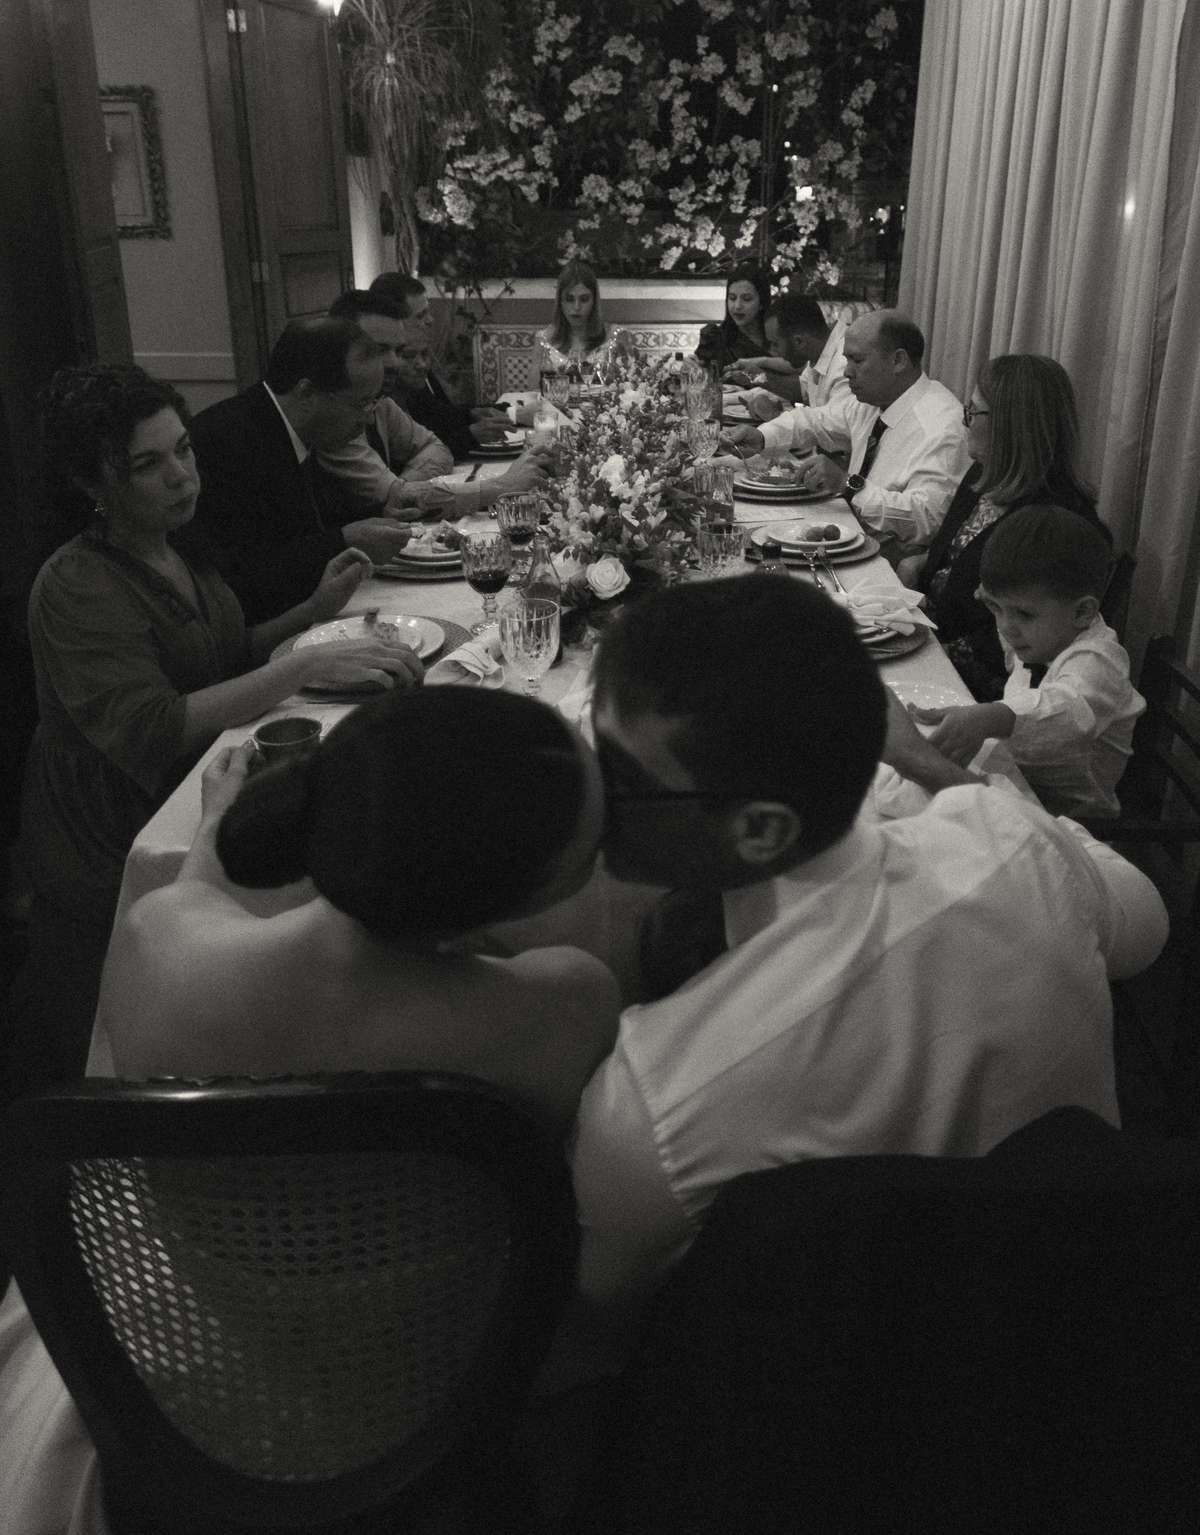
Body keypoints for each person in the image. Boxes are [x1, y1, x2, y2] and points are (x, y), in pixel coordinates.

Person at [0, 688, 620, 1535]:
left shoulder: (156, 946)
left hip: (207, 1362)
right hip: (442, 1374)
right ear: (515, 902)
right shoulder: (564, 1006)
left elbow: (190, 907)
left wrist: (217, 827)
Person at [570, 573, 1166, 1326]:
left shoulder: (654, 1101)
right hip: (1097, 1295)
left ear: (761, 829)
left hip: (833, 1376)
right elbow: (1142, 934)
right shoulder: (1010, 842)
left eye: (619, 775)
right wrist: (939, 773)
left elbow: (606, 1302)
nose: (589, 790)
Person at [9, 364, 420, 1097]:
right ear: (92, 485)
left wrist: (312, 613)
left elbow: (222, 660)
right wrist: (305, 664)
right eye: (147, 464)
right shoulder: (78, 582)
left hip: (201, 785)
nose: (181, 476)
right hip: (112, 832)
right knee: (116, 1055)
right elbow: (155, 728)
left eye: (183, 449)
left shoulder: (173, 545)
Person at [913, 506, 1145, 820]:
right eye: (997, 609)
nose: (1006, 627)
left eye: (1023, 613)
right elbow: (1015, 642)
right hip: (1019, 786)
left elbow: (1066, 712)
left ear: (1082, 612)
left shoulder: (1099, 663)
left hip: (1072, 822)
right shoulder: (1044, 634)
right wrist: (998, 602)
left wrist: (992, 717)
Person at [189, 314, 417, 622]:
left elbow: (312, 522)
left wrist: (378, 514)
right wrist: (343, 540)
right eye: (360, 405)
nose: (367, 420)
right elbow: (242, 570)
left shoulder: (296, 429)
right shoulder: (230, 442)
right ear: (307, 393)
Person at [908, 354, 1108, 700]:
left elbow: (1013, 640)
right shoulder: (985, 475)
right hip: (931, 637)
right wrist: (920, 562)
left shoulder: (1056, 522)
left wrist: (923, 654)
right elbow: (958, 556)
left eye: (973, 412)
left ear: (1013, 426)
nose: (965, 422)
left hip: (987, 694)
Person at [730, 310, 970, 552]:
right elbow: (814, 420)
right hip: (848, 534)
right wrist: (762, 437)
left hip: (890, 556)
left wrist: (849, 484)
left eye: (857, 360)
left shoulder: (940, 426)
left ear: (898, 360)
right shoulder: (874, 401)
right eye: (846, 360)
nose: (847, 372)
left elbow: (927, 519)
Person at [322, 292, 553, 516]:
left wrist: (405, 488)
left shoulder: (380, 402)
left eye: (397, 350)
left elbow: (437, 448)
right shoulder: (336, 419)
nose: (394, 362)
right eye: (379, 350)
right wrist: (503, 486)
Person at [368, 273, 528, 457]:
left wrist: (480, 414)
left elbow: (440, 415)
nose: (430, 320)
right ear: (396, 320)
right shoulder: (390, 381)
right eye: (421, 315)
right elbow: (414, 450)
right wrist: (470, 434)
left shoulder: (418, 359)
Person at [725, 294, 851, 416]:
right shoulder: (820, 350)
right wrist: (756, 376)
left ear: (799, 341)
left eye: (776, 343)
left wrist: (776, 415)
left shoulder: (845, 365)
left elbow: (834, 426)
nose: (774, 351)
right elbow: (802, 389)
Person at [537, 260, 618, 376]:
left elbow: (629, 383)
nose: (576, 307)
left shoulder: (615, 337)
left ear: (594, 301)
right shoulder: (544, 340)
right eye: (569, 299)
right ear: (560, 302)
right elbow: (535, 385)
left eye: (584, 299)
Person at [694, 261, 772, 374]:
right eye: (732, 298)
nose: (737, 306)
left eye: (746, 299)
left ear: (762, 303)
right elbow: (700, 374)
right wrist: (691, 367)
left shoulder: (776, 339)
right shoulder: (715, 339)